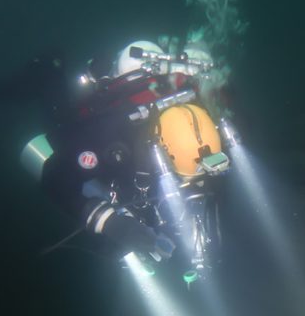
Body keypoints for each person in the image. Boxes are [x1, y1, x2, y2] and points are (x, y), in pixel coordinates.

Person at [17, 39, 225, 266]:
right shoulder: (113, 131)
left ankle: (51, 68)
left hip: (135, 175)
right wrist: (111, 223)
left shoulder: (193, 106)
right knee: (60, 124)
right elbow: (55, 177)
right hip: (98, 143)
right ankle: (49, 70)